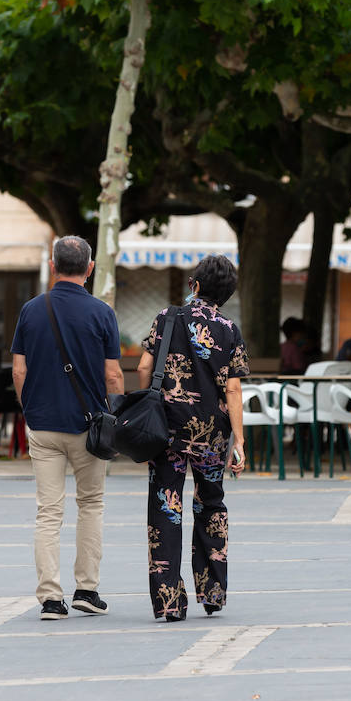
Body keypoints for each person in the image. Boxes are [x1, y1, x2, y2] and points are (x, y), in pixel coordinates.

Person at [10, 236, 124, 620]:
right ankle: (87, 590)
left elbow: (19, 370)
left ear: (53, 264)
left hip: (43, 425)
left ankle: (50, 599)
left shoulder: (31, 310)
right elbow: (112, 375)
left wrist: (30, 409)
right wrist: (117, 417)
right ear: (90, 268)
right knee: (91, 505)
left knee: (48, 511)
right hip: (89, 427)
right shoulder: (102, 313)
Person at [139, 254, 249, 621]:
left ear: (195, 285)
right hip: (212, 434)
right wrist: (240, 441)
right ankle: (213, 593)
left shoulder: (167, 317)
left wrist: (150, 409)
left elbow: (143, 366)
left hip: (167, 431)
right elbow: (233, 390)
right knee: (211, 505)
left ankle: (170, 603)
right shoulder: (229, 329)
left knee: (166, 509)